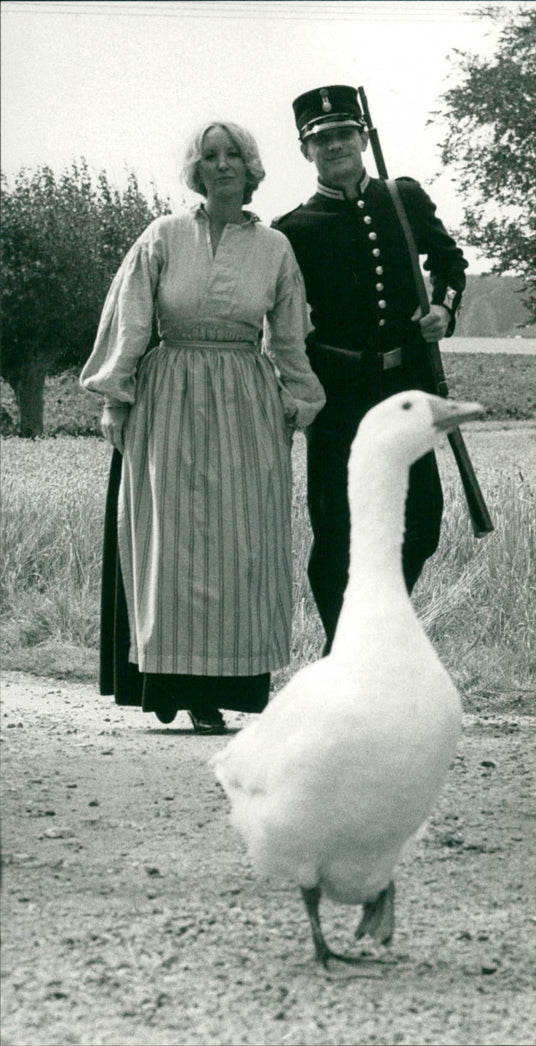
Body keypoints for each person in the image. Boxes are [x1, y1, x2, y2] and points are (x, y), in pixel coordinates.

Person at [81, 121, 325, 733]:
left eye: (234, 155)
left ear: (251, 168)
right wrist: (115, 397)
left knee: (240, 542)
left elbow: (290, 337)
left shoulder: (274, 247)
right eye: (210, 156)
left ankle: (229, 685)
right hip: (169, 397)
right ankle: (169, 684)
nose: (222, 166)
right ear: (197, 168)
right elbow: (131, 319)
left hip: (245, 398)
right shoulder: (163, 235)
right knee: (173, 539)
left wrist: (298, 403)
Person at [273, 84, 468, 654]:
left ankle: (383, 634)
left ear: (362, 137)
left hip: (404, 387)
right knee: (337, 530)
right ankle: (344, 655)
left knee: (422, 521)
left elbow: (450, 263)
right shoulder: (293, 230)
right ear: (306, 150)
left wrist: (442, 308)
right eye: (322, 139)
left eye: (344, 134)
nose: (336, 146)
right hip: (337, 397)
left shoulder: (402, 198)